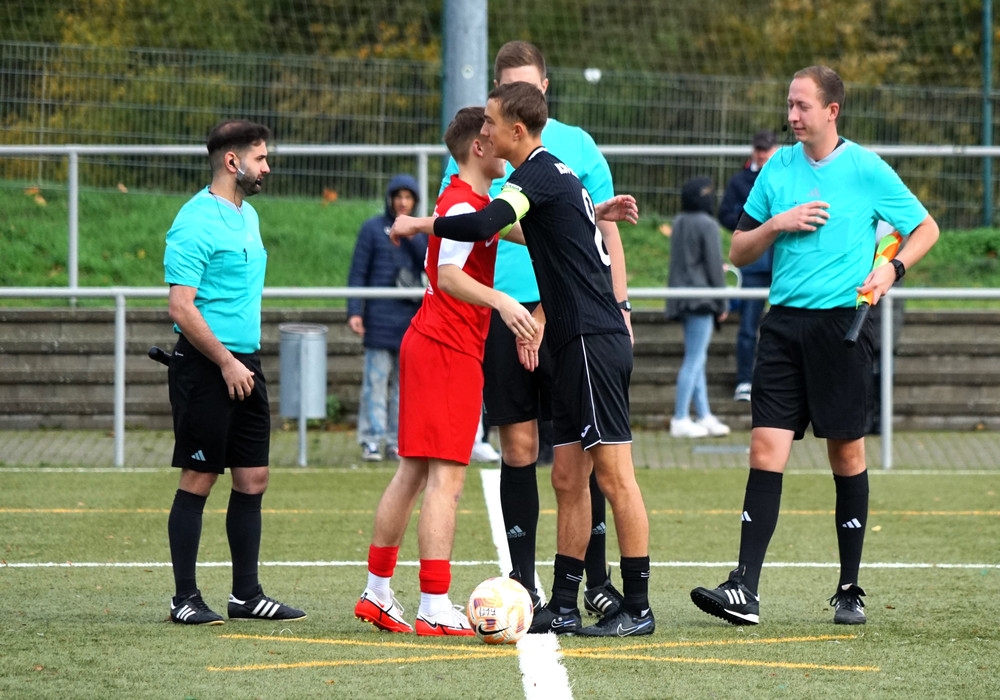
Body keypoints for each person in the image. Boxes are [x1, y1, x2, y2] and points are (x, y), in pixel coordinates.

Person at [393, 81, 653, 637]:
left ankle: (637, 607)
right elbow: (548, 228)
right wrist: (595, 212)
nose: (483, 131)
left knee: (615, 477)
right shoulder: (549, 175)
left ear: (516, 129)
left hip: (592, 339)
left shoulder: (532, 174)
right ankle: (563, 603)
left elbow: (483, 224)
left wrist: (420, 224)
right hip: (571, 341)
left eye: (490, 122)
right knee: (567, 477)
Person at [690, 66, 939, 626]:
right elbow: (739, 251)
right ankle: (744, 588)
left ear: (832, 110)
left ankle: (849, 589)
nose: (792, 115)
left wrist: (891, 270)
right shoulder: (777, 167)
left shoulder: (866, 168)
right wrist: (777, 223)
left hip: (842, 328)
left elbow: (926, 228)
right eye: (789, 105)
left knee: (846, 454)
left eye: (802, 106)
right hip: (782, 327)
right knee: (764, 448)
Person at [439, 39, 628, 618]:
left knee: (589, 456)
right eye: (505, 87)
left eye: (526, 85)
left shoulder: (571, 149)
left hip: (568, 320)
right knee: (521, 448)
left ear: (542, 90)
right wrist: (508, 310)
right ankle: (527, 584)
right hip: (504, 315)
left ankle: (600, 582)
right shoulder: (485, 143)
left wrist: (611, 308)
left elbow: (594, 234)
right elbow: (472, 220)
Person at [353, 106, 538, 636]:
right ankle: (433, 602)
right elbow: (450, 274)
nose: (503, 142)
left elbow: (527, 233)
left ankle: (377, 592)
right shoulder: (461, 201)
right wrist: (502, 301)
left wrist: (592, 216)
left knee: (412, 473)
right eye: (493, 133)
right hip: (445, 348)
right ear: (478, 146)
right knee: (446, 481)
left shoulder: (473, 202)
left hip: (435, 344)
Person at [163, 119, 305, 625]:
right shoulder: (193, 220)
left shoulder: (250, 215)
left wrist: (239, 362)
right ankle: (184, 599)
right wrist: (224, 361)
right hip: (207, 366)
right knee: (200, 476)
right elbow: (181, 307)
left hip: (247, 363)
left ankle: (246, 595)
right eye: (260, 158)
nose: (267, 167)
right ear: (232, 161)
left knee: (253, 477)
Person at [346, 176, 427, 462]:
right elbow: (358, 272)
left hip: (410, 321)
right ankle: (372, 440)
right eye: (398, 196)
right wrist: (355, 311)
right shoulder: (371, 229)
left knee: (404, 387)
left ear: (415, 201)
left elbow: (428, 264)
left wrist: (411, 233)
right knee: (375, 382)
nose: (403, 202)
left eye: (408, 197)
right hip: (378, 318)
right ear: (390, 199)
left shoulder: (421, 231)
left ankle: (396, 441)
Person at [666, 177, 731, 439]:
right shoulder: (708, 224)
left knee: (697, 358)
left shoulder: (679, 221)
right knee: (694, 359)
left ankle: (703, 414)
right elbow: (714, 266)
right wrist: (722, 301)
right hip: (702, 299)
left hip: (681, 297)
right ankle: (680, 417)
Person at [718, 129, 779, 402]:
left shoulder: (783, 175)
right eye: (759, 149)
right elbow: (725, 213)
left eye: (766, 149)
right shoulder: (739, 181)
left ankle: (778, 381)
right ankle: (744, 380)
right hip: (754, 265)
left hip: (781, 263)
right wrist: (751, 225)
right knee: (748, 326)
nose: (762, 154)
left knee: (784, 324)